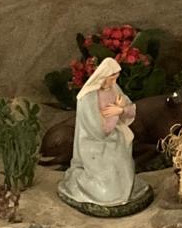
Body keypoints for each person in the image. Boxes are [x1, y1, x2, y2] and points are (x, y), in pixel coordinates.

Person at [58, 57, 144, 215]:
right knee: (106, 191)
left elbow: (128, 108)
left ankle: (122, 188)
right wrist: (115, 115)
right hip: (94, 145)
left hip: (116, 140)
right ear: (102, 76)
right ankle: (82, 181)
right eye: (112, 77)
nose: (114, 81)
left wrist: (121, 110)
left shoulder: (114, 89)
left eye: (116, 77)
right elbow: (97, 130)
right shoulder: (87, 97)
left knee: (124, 172)